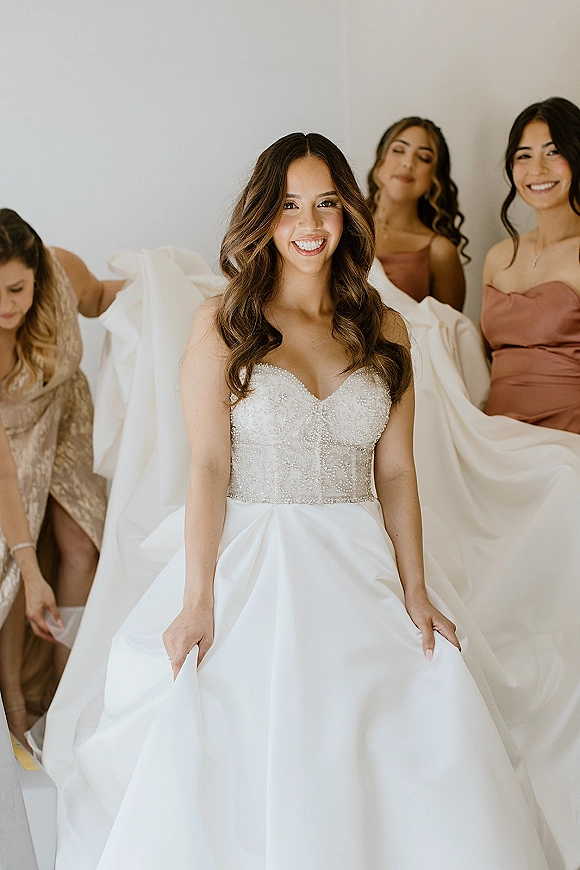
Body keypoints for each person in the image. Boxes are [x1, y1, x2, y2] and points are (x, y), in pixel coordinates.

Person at [74, 134, 550, 870]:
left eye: (326, 203)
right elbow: (205, 465)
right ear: (264, 217)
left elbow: (394, 474)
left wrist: (416, 589)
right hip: (255, 562)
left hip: (361, 560)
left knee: (403, 738)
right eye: (290, 205)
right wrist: (198, 597)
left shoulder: (383, 328)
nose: (310, 223)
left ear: (347, 214)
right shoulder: (224, 322)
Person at [0, 208, 125, 746]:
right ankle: (16, 700)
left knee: (83, 542)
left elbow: (100, 300)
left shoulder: (63, 270)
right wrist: (30, 569)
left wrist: (173, 289)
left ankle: (66, 684)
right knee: (11, 573)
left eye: (16, 289)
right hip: (10, 440)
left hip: (69, 413)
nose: (6, 307)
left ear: (38, 272)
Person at [481, 97, 580, 433]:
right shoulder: (498, 256)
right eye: (524, 156)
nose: (538, 169)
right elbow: (487, 358)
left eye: (553, 152)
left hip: (568, 441)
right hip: (497, 436)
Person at [367, 116, 468, 310]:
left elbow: (449, 335)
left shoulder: (440, 252)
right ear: (380, 163)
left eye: (424, 158)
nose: (408, 163)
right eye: (398, 150)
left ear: (434, 177)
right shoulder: (343, 226)